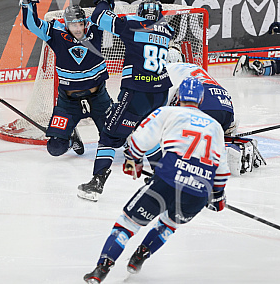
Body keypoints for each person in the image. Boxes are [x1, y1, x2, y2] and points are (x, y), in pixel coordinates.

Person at [82, 77, 229, 283]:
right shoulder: (215, 127)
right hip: (197, 193)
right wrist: (217, 196)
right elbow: (221, 172)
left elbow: (137, 141)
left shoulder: (168, 112)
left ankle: (101, 269)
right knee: (168, 224)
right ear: (201, 99)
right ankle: (140, 256)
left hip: (166, 182)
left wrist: (133, 162)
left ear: (178, 97)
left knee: (127, 224)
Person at [77, 0, 174, 201]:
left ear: (140, 11)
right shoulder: (168, 30)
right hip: (161, 94)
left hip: (137, 92)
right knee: (147, 135)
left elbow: (98, 16)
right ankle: (165, 181)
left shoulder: (131, 25)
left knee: (110, 135)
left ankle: (96, 183)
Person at [20, 0, 112, 157]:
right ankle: (70, 136)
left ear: (85, 22)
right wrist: (29, 0)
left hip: (98, 98)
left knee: (115, 139)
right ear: (66, 24)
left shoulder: (95, 28)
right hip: (68, 102)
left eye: (80, 24)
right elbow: (31, 23)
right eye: (73, 25)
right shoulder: (56, 33)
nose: (78, 29)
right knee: (55, 148)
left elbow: (105, 6)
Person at [166, 61, 264, 175]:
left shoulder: (164, 70)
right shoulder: (189, 66)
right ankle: (236, 142)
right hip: (225, 103)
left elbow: (163, 107)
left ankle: (223, 151)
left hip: (203, 100)